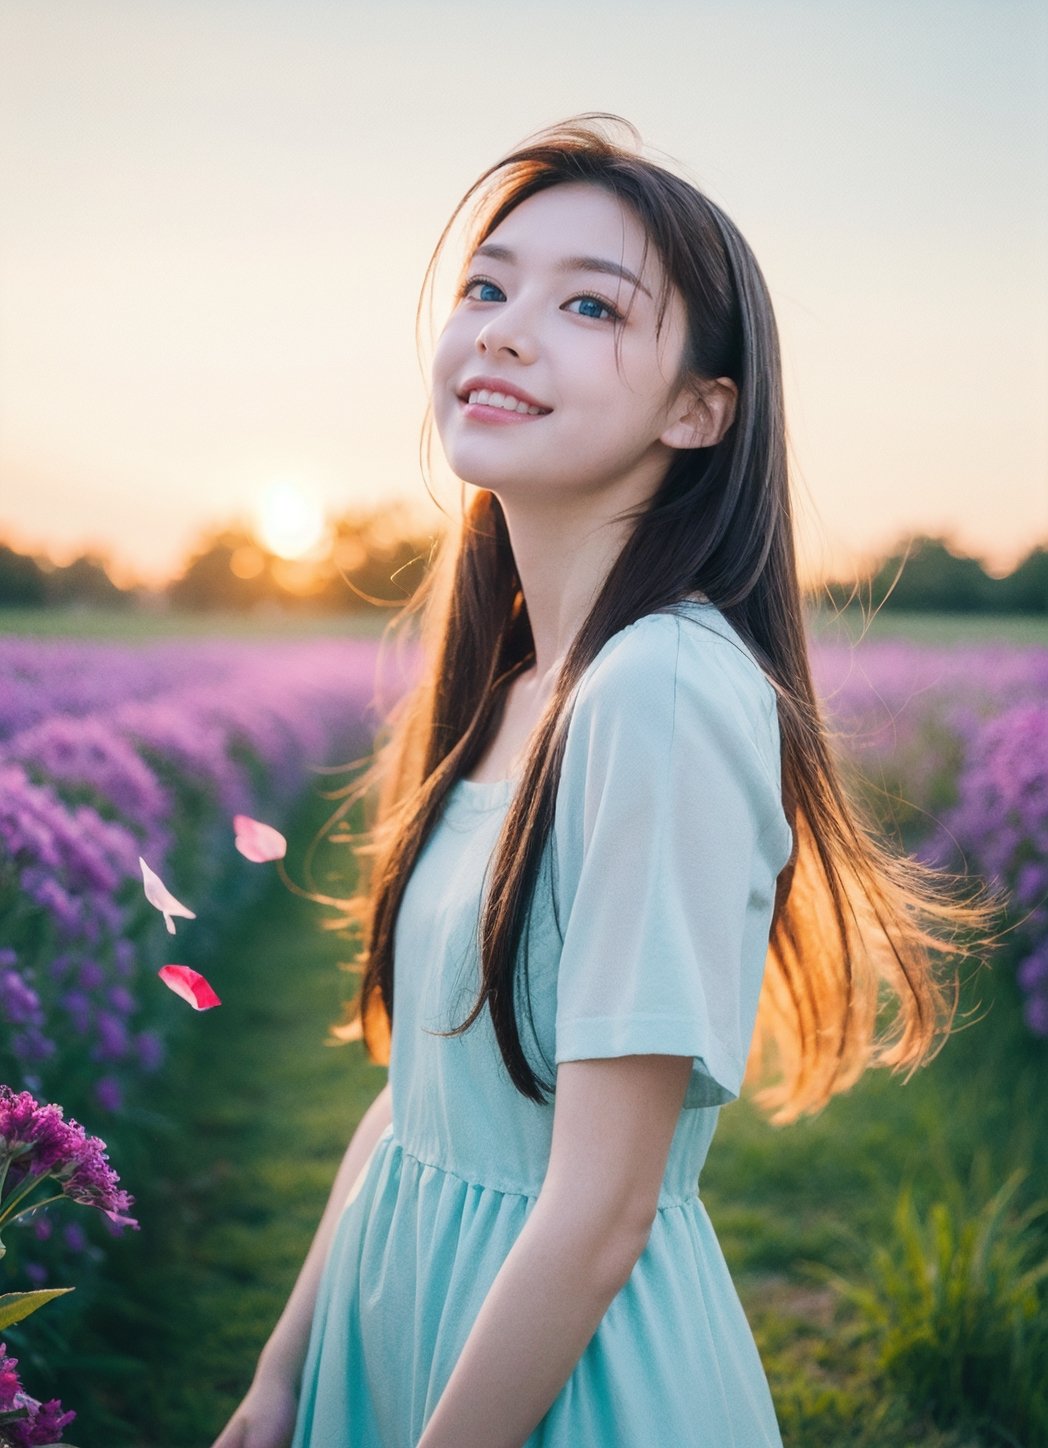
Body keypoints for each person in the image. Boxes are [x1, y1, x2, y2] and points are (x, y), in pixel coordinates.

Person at [211, 114, 993, 1448]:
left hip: (561, 1389)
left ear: (701, 410)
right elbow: (418, 1105)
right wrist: (281, 1380)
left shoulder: (664, 691)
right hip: (410, 1327)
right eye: (487, 284)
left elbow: (601, 1211)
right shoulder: (517, 687)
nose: (506, 329)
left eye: (588, 304)